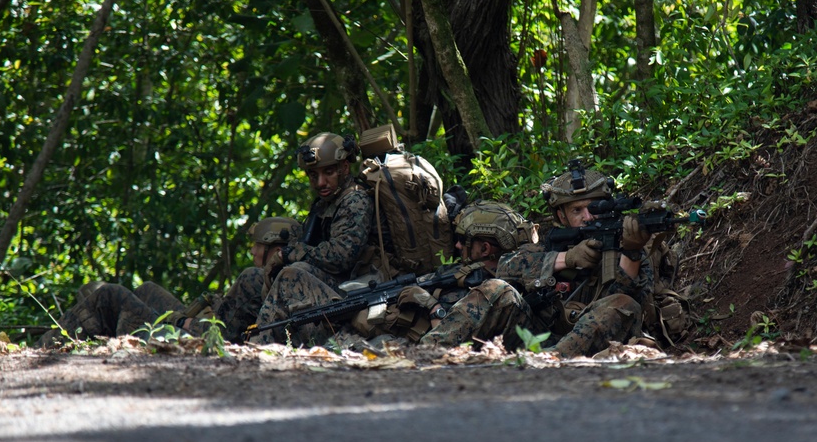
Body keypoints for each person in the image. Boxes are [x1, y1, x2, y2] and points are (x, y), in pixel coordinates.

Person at [422, 163, 654, 357]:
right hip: (534, 337)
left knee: (623, 303)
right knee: (496, 289)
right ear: (561, 216)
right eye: (577, 210)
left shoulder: (631, 247)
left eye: (594, 207)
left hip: (581, 346)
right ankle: (427, 353)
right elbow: (505, 268)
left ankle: (548, 363)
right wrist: (567, 258)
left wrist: (631, 252)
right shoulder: (548, 247)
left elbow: (631, 309)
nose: (588, 217)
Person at [249, 200, 537, 347]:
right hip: (369, 330)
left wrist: (431, 306)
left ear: (485, 248)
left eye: (464, 240)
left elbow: (445, 341)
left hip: (389, 348)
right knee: (291, 277)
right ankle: (253, 347)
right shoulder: (458, 273)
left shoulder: (495, 291)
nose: (458, 245)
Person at [37, 218, 302, 346]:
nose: (253, 252)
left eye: (258, 245)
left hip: (195, 340)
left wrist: (181, 322)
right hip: (201, 329)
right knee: (147, 289)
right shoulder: (277, 280)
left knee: (110, 295)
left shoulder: (255, 277)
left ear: (275, 249)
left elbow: (224, 338)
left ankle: (44, 346)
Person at [263, 132, 374, 292]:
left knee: (292, 274)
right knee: (250, 277)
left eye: (328, 173)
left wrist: (290, 254)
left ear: (344, 167)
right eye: (313, 175)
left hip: (359, 283)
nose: (320, 183)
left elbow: (341, 257)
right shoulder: (325, 203)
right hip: (336, 280)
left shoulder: (355, 200)